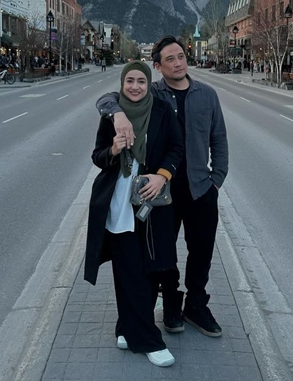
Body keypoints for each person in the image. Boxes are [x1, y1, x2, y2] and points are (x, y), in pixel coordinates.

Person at [97, 36, 229, 339]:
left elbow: (218, 139)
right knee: (163, 254)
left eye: (181, 56)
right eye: (170, 59)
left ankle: (197, 304)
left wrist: (216, 181)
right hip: (160, 190)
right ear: (157, 66)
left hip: (199, 188)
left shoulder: (206, 95)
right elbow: (106, 99)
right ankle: (170, 304)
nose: (178, 62)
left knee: (202, 251)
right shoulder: (149, 93)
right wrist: (117, 114)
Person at [85, 62, 182, 367]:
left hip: (151, 204)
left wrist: (162, 175)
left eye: (141, 81)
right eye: (130, 81)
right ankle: (148, 339)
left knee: (150, 270)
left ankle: (125, 326)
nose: (136, 86)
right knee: (128, 273)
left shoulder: (163, 110)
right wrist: (113, 151)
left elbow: (176, 149)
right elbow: (98, 157)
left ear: (149, 82)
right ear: (123, 83)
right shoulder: (113, 117)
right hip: (118, 206)